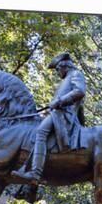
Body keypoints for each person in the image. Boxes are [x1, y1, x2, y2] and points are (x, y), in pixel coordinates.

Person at [12, 52, 86, 185]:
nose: (58, 72)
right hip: (57, 114)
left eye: (58, 69)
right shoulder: (66, 80)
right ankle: (29, 185)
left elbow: (80, 91)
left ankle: (35, 173)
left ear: (65, 66)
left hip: (64, 115)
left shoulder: (75, 74)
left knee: (40, 133)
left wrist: (59, 101)